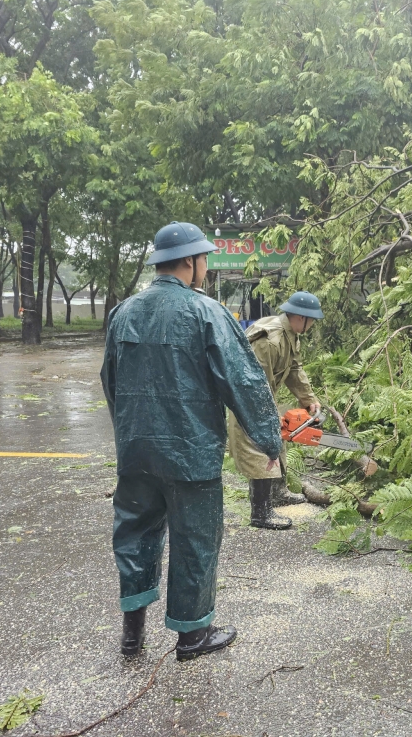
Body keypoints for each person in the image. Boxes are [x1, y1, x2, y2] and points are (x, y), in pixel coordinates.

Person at [100, 221, 283, 662]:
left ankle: (132, 635)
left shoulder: (123, 312)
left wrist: (128, 433)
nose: (206, 266)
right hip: (191, 454)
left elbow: (110, 378)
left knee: (135, 535)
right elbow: (242, 380)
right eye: (204, 259)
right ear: (190, 261)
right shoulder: (207, 312)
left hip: (137, 452)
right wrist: (269, 438)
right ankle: (193, 636)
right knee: (195, 541)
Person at [229, 291, 323, 530]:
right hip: (248, 398)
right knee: (259, 449)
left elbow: (294, 370)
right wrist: (269, 413)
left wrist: (308, 400)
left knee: (277, 439)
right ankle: (260, 512)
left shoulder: (290, 335)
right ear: (300, 317)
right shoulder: (270, 340)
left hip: (262, 395)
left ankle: (278, 493)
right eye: (311, 320)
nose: (312, 325)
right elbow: (255, 383)